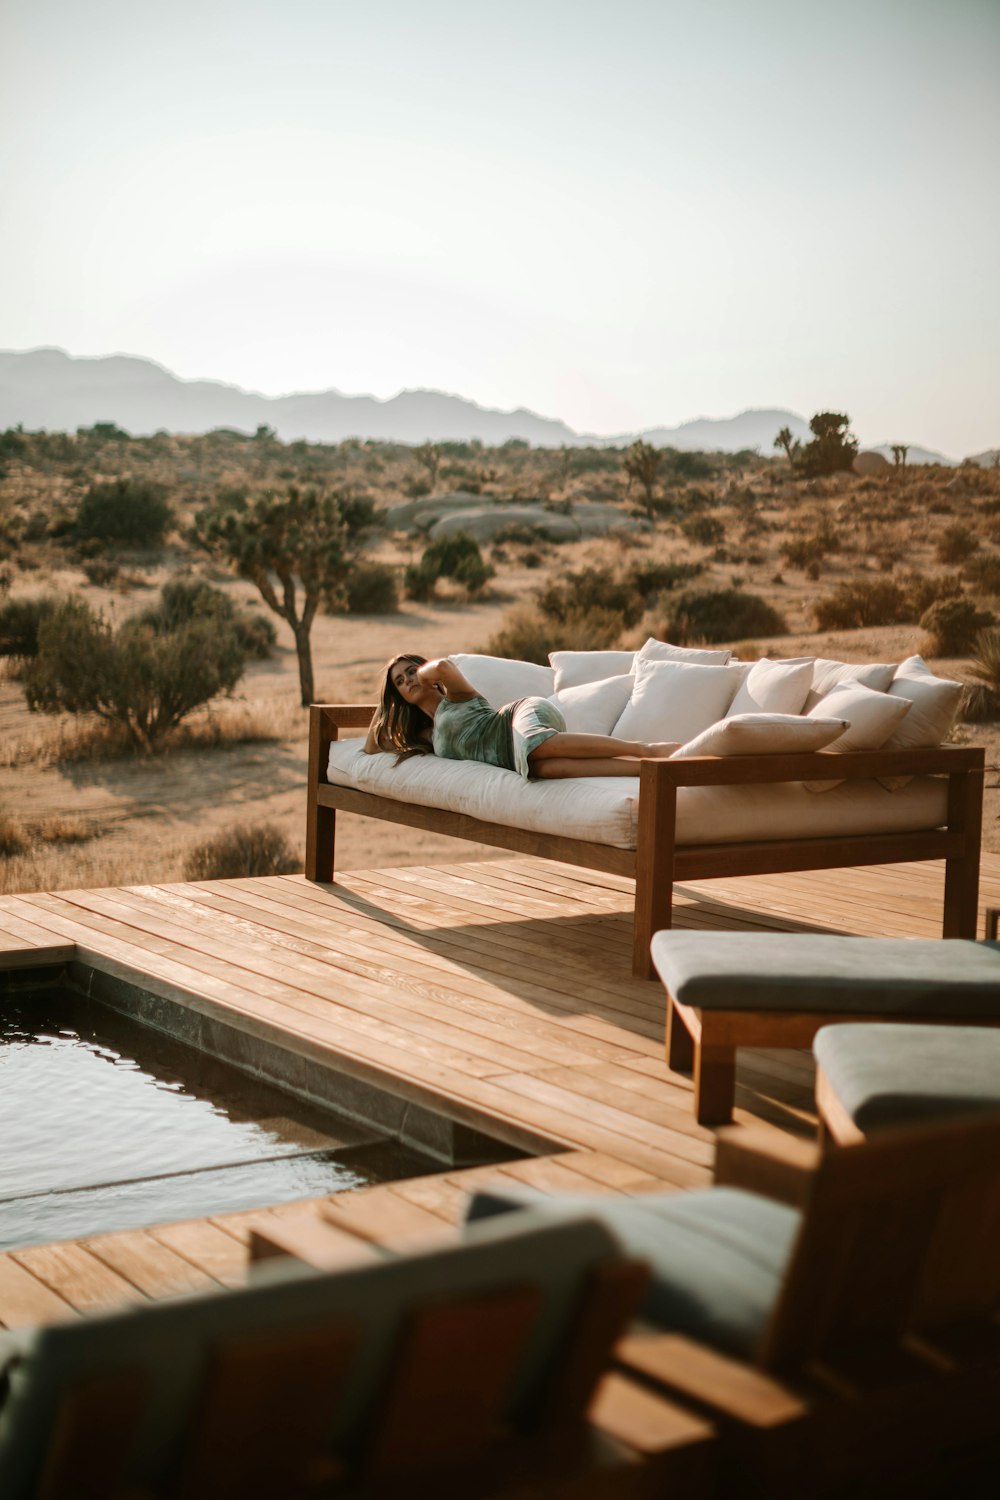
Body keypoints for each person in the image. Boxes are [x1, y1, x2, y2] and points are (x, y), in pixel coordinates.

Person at [364, 654, 678, 779]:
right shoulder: (426, 735)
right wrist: (388, 701)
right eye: (400, 682)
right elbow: (371, 746)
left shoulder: (456, 696)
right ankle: (642, 769)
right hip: (509, 755)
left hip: (518, 718)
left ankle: (645, 748)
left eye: (410, 672)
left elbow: (444, 666)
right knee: (546, 769)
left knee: (537, 746)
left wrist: (421, 673)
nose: (408, 681)